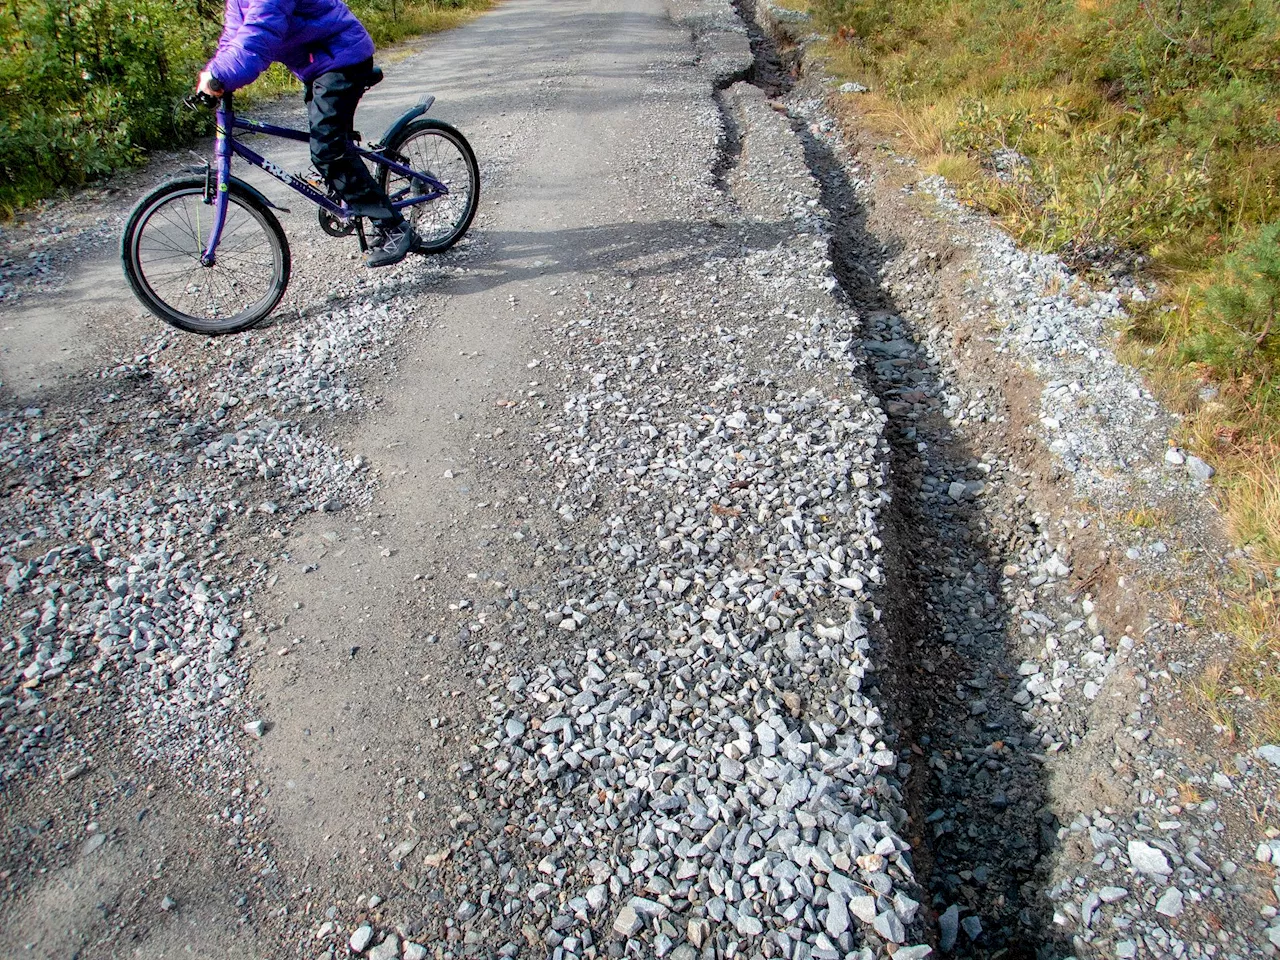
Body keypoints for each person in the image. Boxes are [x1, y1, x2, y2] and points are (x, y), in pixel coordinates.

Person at [197, 0, 414, 267]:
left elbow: (261, 32)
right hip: (319, 63)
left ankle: (392, 225)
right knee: (330, 143)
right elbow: (234, 36)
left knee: (327, 150)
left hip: (342, 57)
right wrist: (213, 73)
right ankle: (348, 188)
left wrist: (222, 73)